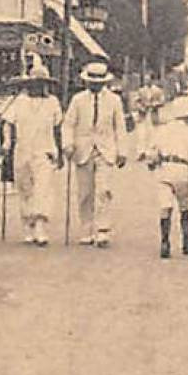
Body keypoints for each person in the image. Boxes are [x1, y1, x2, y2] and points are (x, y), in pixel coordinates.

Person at [61, 61, 127, 247]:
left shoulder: (114, 100)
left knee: (104, 190)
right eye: (91, 82)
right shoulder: (78, 100)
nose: (95, 85)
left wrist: (122, 151)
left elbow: (120, 127)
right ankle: (86, 228)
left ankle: (103, 229)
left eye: (98, 82)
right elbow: (68, 124)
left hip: (105, 150)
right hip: (83, 150)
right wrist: (67, 144)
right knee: (85, 192)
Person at [1, 63, 63, 245]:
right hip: (22, 150)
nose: (38, 87)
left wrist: (60, 150)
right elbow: (7, 122)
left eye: (41, 83)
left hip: (45, 151)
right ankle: (28, 225)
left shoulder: (53, 102)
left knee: (43, 189)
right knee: (25, 189)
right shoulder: (19, 101)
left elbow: (58, 127)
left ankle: (41, 227)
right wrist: (6, 142)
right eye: (34, 83)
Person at [142, 85, 188, 259]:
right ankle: (186, 241)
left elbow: (151, 151)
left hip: (165, 169)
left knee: (165, 207)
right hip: (182, 170)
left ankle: (165, 242)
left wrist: (153, 162)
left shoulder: (162, 130)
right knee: (184, 207)